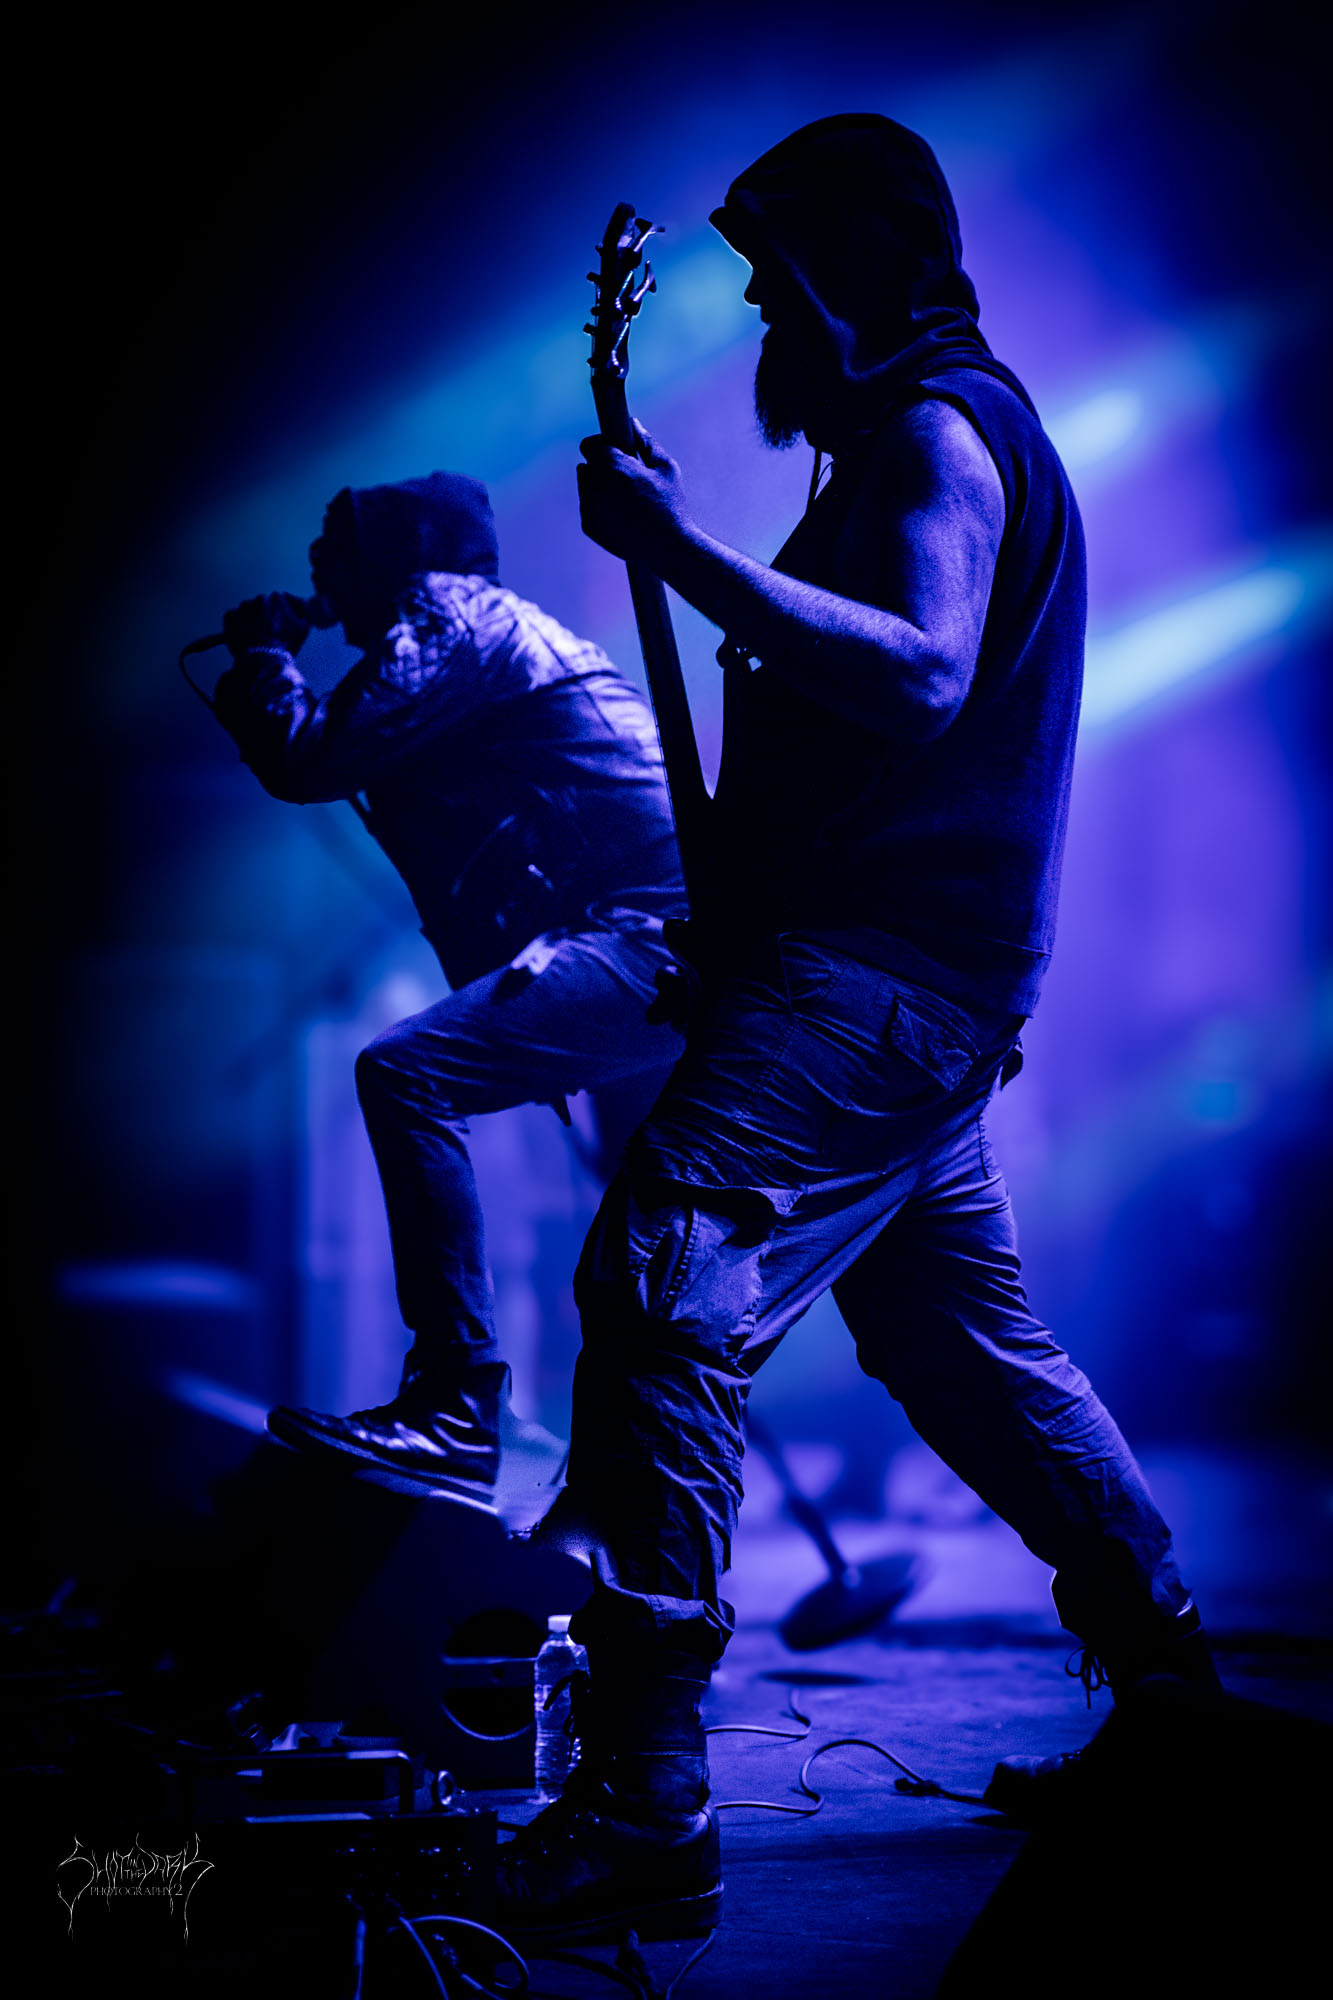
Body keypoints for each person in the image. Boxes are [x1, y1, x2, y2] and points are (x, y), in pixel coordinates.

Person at [494, 115, 1218, 1942]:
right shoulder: (917, 435)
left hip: (878, 986)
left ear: (862, 262)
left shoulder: (935, 431)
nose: (760, 323)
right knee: (964, 1353)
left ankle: (644, 1799)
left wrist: (675, 546)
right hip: (895, 988)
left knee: (659, 1272)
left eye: (774, 284)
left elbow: (915, 675)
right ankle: (1176, 1707)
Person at [209, 471, 686, 1504]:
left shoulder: (448, 614)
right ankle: (640, 1478)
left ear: (401, 552)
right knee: (642, 1233)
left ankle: (457, 1402)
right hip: (663, 940)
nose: (317, 566)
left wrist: (263, 658)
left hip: (641, 938)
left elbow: (308, 756)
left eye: (337, 544)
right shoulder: (478, 625)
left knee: (406, 1073)